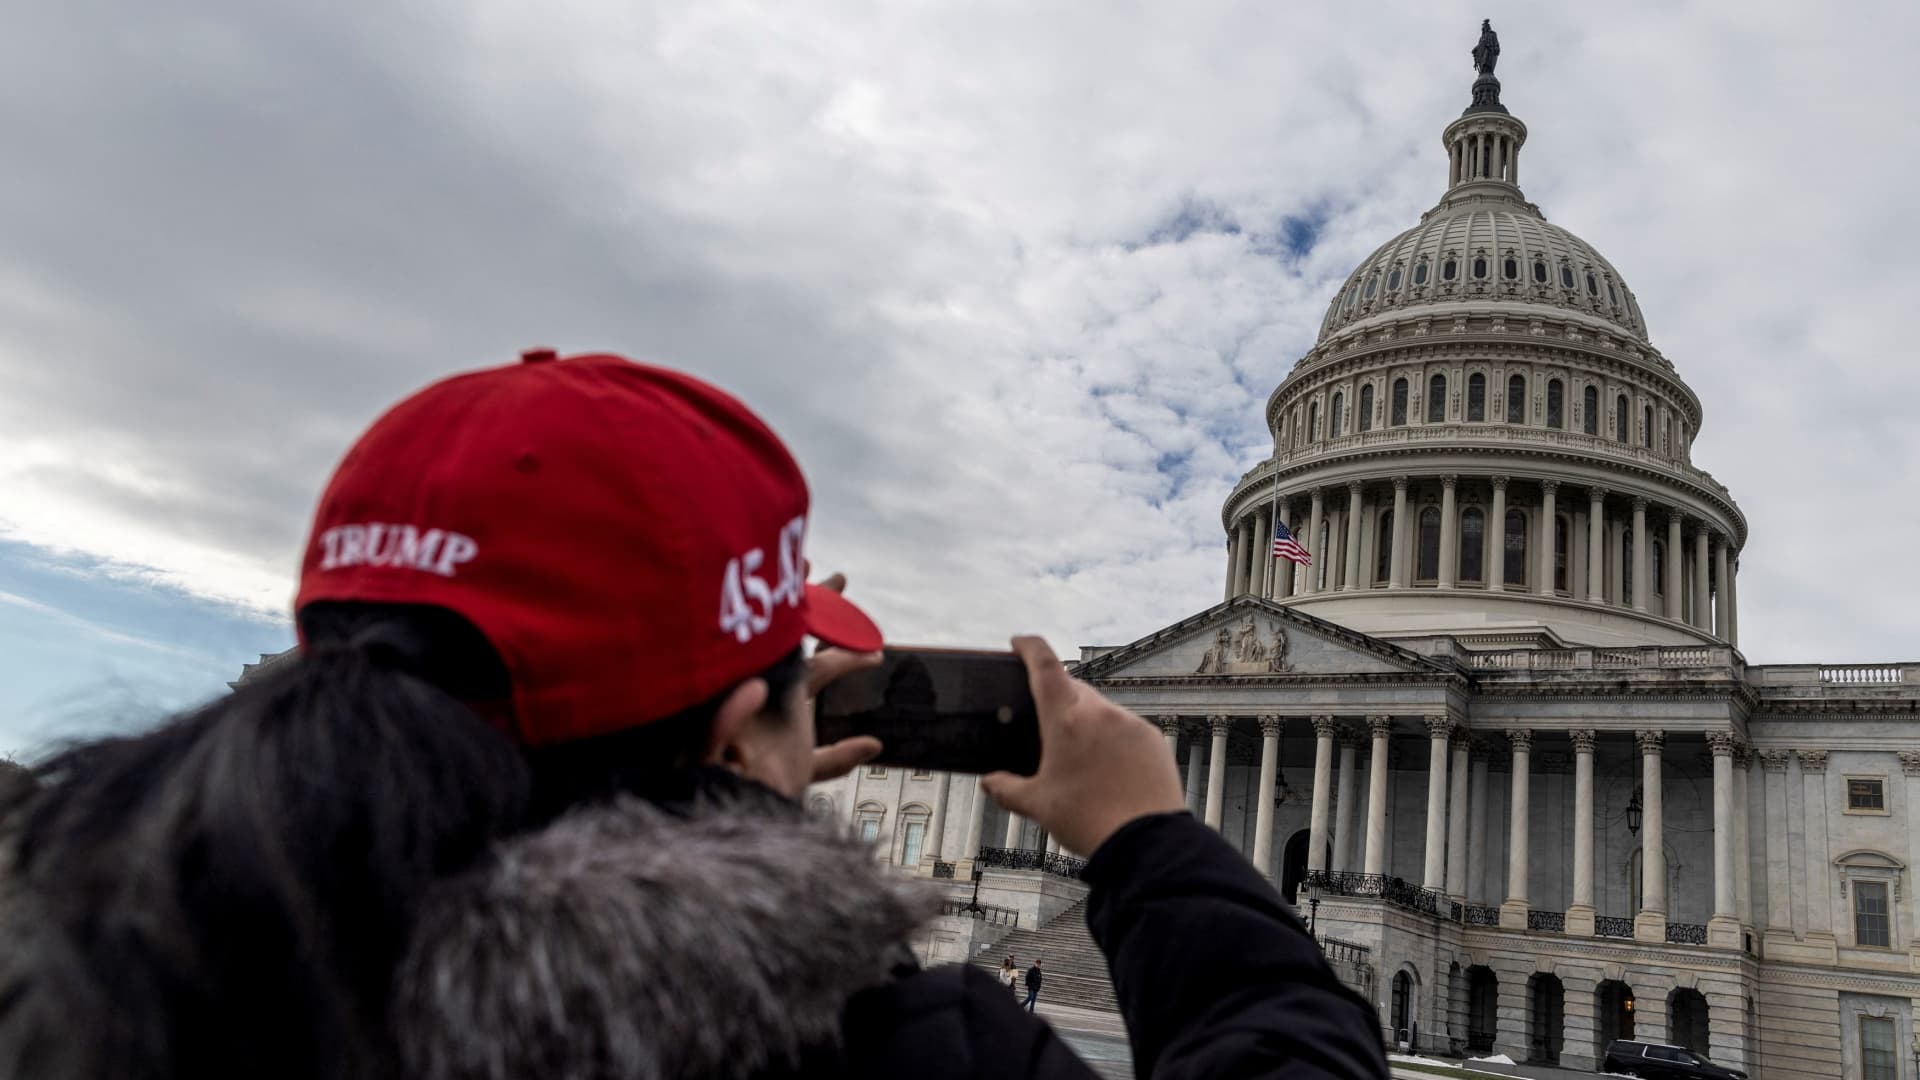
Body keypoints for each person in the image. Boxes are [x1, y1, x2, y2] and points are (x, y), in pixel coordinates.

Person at [0, 350, 1389, 1079]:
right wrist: (1152, 842)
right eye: (798, 679)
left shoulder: (77, 992)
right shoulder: (881, 1050)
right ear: (735, 741)